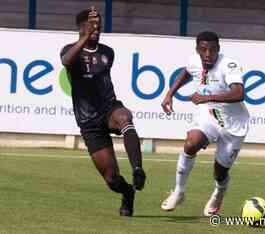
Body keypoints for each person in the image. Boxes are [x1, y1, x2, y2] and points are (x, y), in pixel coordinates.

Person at [60, 7, 146, 217]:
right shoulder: (69, 50)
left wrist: (90, 35)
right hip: (88, 120)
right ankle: (127, 192)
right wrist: (85, 37)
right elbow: (67, 62)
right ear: (81, 27)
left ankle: (137, 170)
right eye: (92, 24)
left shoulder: (107, 52)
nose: (97, 28)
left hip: (109, 108)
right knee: (111, 179)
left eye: (98, 24)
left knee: (125, 117)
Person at [160, 31, 249, 216]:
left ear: (219, 49)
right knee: (191, 142)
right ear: (197, 49)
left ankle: (219, 192)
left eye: (212, 50)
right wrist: (170, 94)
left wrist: (207, 97)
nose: (208, 54)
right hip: (208, 113)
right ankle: (179, 191)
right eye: (203, 50)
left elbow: (239, 93)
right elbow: (186, 72)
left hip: (233, 123)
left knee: (220, 173)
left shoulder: (228, 65)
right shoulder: (194, 60)